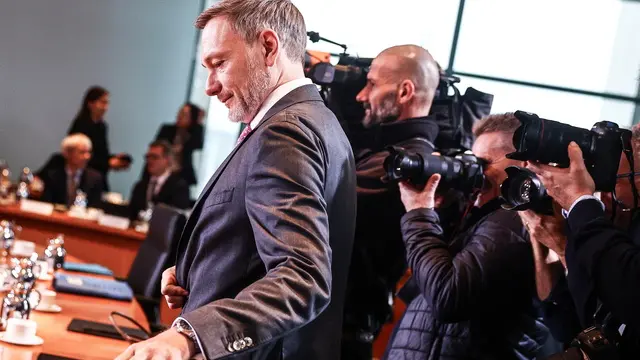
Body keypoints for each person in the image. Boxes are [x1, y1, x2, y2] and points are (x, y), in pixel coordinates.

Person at [115, 1, 356, 359]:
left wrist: (189, 336)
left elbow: (302, 276)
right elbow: (260, 246)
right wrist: (197, 270)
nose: (210, 87)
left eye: (219, 64)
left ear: (269, 47)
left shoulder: (286, 133)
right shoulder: (317, 122)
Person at [384, 113, 550, 360]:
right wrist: (441, 211)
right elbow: (423, 290)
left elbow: (446, 297)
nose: (476, 172)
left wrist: (419, 215)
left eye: (485, 163)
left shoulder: (517, 221)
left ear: (525, 166)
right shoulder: (484, 217)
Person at [341, 44, 441, 359]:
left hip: (341, 334)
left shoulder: (405, 165)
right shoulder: (387, 155)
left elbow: (319, 201)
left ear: (404, 92)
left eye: (371, 84)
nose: (360, 95)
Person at [526, 124, 640, 357]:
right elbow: (568, 326)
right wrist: (551, 241)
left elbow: (632, 294)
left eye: (609, 180)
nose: (602, 192)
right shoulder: (615, 228)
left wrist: (580, 203)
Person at [67, 86, 131, 190]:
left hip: (98, 177)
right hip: (83, 178)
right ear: (90, 104)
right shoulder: (81, 125)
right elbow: (79, 156)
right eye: (102, 102)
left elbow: (101, 153)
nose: (106, 107)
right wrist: (108, 163)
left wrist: (114, 159)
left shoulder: (102, 126)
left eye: (107, 103)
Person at [128, 141, 190, 221]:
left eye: (154, 157)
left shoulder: (179, 187)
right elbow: (131, 214)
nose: (149, 161)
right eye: (148, 157)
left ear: (167, 159)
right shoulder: (140, 186)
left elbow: (177, 218)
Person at [36, 134, 104, 208]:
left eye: (89, 152)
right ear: (68, 153)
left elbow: (94, 208)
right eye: (82, 152)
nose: (87, 156)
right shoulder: (53, 175)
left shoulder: (95, 178)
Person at [155, 103, 205, 186]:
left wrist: (199, 121)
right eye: (180, 112)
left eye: (184, 114)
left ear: (192, 118)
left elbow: (198, 145)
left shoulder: (193, 133)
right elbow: (157, 147)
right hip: (162, 171)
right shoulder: (167, 129)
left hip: (181, 175)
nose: (179, 116)